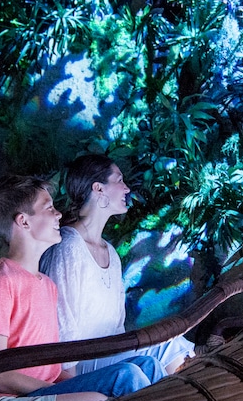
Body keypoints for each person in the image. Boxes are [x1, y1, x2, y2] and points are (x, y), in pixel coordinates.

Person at [0, 175, 152, 401]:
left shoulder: (47, 285)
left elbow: (55, 370)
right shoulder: (1, 280)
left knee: (146, 364)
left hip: (48, 387)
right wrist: (66, 390)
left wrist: (76, 386)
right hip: (15, 397)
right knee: (124, 376)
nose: (58, 214)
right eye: (49, 208)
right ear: (24, 222)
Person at [39, 154, 194, 379]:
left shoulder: (110, 252)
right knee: (168, 348)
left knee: (170, 342)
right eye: (119, 180)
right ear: (98, 188)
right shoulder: (68, 246)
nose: (126, 188)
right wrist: (69, 388)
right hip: (77, 363)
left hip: (110, 353)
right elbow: (60, 322)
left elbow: (116, 327)